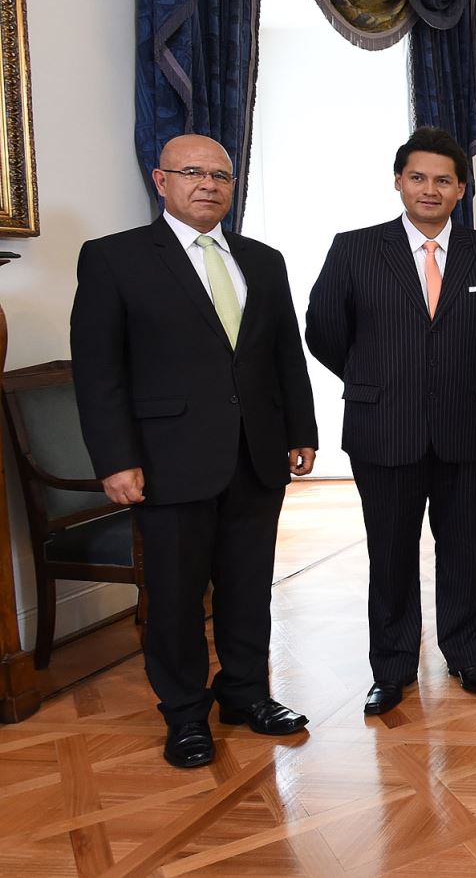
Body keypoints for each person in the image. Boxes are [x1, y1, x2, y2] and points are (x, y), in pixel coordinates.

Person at [71, 134, 318, 769]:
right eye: (192, 172)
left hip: (255, 456)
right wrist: (114, 459)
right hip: (165, 459)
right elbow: (99, 372)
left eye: (221, 175)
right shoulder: (114, 259)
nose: (208, 184)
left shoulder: (263, 261)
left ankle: (245, 694)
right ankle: (184, 714)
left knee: (247, 587)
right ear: (161, 181)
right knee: (176, 596)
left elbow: (284, 353)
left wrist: (301, 429)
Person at [305, 126, 476, 715]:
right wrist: (372, 377)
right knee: (391, 552)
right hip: (384, 428)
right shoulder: (354, 249)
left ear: (461, 188)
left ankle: (466, 654)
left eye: (443, 180)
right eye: (418, 177)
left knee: (462, 547)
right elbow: (322, 329)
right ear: (399, 182)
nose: (430, 189)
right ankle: (393, 667)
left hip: (463, 424)